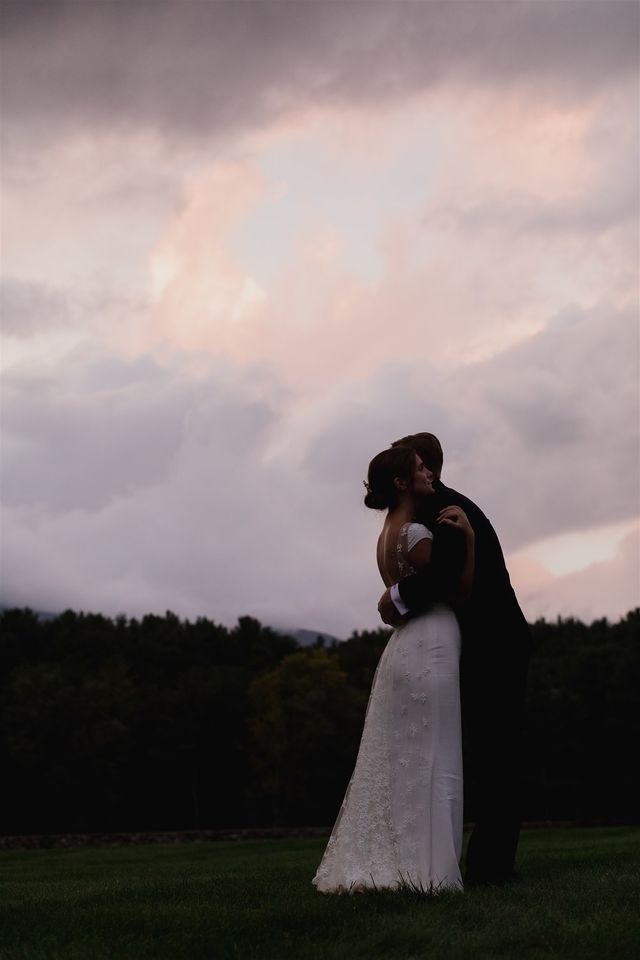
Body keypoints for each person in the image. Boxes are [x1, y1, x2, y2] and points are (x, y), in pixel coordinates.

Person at [313, 446, 475, 893]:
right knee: (435, 756)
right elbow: (455, 588)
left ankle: (400, 860)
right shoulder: (417, 533)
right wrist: (470, 540)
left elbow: (403, 593)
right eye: (420, 468)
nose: (429, 473)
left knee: (408, 759)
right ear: (402, 483)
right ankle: (431, 871)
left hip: (404, 646)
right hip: (432, 641)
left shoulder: (386, 534)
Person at [378, 433, 531, 885]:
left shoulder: (443, 510)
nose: (412, 470)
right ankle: (463, 860)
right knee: (459, 752)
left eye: (414, 462)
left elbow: (446, 577)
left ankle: (490, 867)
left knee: (497, 755)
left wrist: (397, 595)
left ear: (429, 466)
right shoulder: (422, 512)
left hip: (494, 643)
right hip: (460, 643)